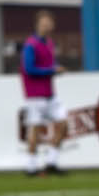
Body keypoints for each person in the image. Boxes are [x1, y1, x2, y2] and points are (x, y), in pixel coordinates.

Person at [21, 10, 66, 176]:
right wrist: (52, 70)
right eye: (44, 23)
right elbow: (29, 68)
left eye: (49, 23)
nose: (47, 26)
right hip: (34, 95)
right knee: (35, 129)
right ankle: (31, 167)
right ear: (38, 25)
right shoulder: (30, 45)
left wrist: (54, 70)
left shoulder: (49, 43)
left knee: (63, 124)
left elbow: (48, 66)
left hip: (50, 94)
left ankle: (51, 162)